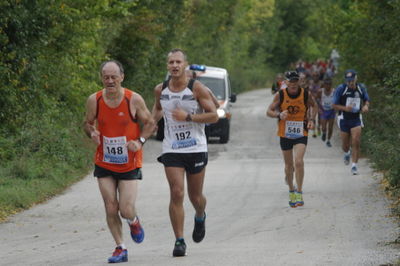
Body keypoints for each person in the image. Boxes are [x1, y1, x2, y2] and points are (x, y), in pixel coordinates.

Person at [83, 60, 155, 263]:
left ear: (122, 77)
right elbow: (87, 123)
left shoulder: (133, 99)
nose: (110, 80)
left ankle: (133, 220)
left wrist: (139, 141)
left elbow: (150, 123)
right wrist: (92, 132)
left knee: (126, 208)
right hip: (104, 161)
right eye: (106, 77)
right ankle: (120, 247)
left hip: (129, 162)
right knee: (110, 207)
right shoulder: (94, 100)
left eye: (114, 76)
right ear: (101, 78)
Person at [152, 48, 218, 257]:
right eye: (171, 62)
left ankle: (200, 215)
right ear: (167, 66)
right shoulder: (160, 89)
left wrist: (188, 117)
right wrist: (150, 124)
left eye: (178, 62)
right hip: (172, 148)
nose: (174, 65)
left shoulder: (196, 89)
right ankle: (179, 240)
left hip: (196, 147)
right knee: (176, 192)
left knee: (195, 197)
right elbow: (157, 109)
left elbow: (214, 116)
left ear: (185, 65)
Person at [266, 71, 317, 208]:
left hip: (301, 131)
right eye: (291, 81)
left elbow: (314, 106)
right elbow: (268, 111)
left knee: (299, 162)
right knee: (289, 166)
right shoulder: (280, 95)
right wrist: (278, 114)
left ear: (299, 81)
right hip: (285, 133)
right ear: (286, 82)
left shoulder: (305, 94)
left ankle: (299, 192)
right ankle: (291, 191)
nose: (294, 84)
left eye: (296, 81)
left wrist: (311, 120)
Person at [332, 69, 370, 175]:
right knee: (345, 145)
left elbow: (366, 99)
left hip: (356, 118)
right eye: (348, 80)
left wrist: (366, 106)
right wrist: (345, 108)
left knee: (356, 141)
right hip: (344, 118)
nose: (350, 82)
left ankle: (354, 166)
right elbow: (334, 105)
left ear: (356, 79)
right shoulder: (341, 89)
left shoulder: (361, 88)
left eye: (352, 80)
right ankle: (347, 152)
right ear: (346, 80)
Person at [317, 78, 336, 147]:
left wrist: (336, 107)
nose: (328, 86)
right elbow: (317, 100)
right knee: (324, 127)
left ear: (331, 85)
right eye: (326, 84)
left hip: (331, 111)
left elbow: (338, 100)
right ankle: (324, 133)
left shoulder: (334, 91)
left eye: (329, 84)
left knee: (330, 127)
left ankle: (328, 140)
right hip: (323, 111)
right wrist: (319, 108)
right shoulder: (320, 91)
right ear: (324, 85)